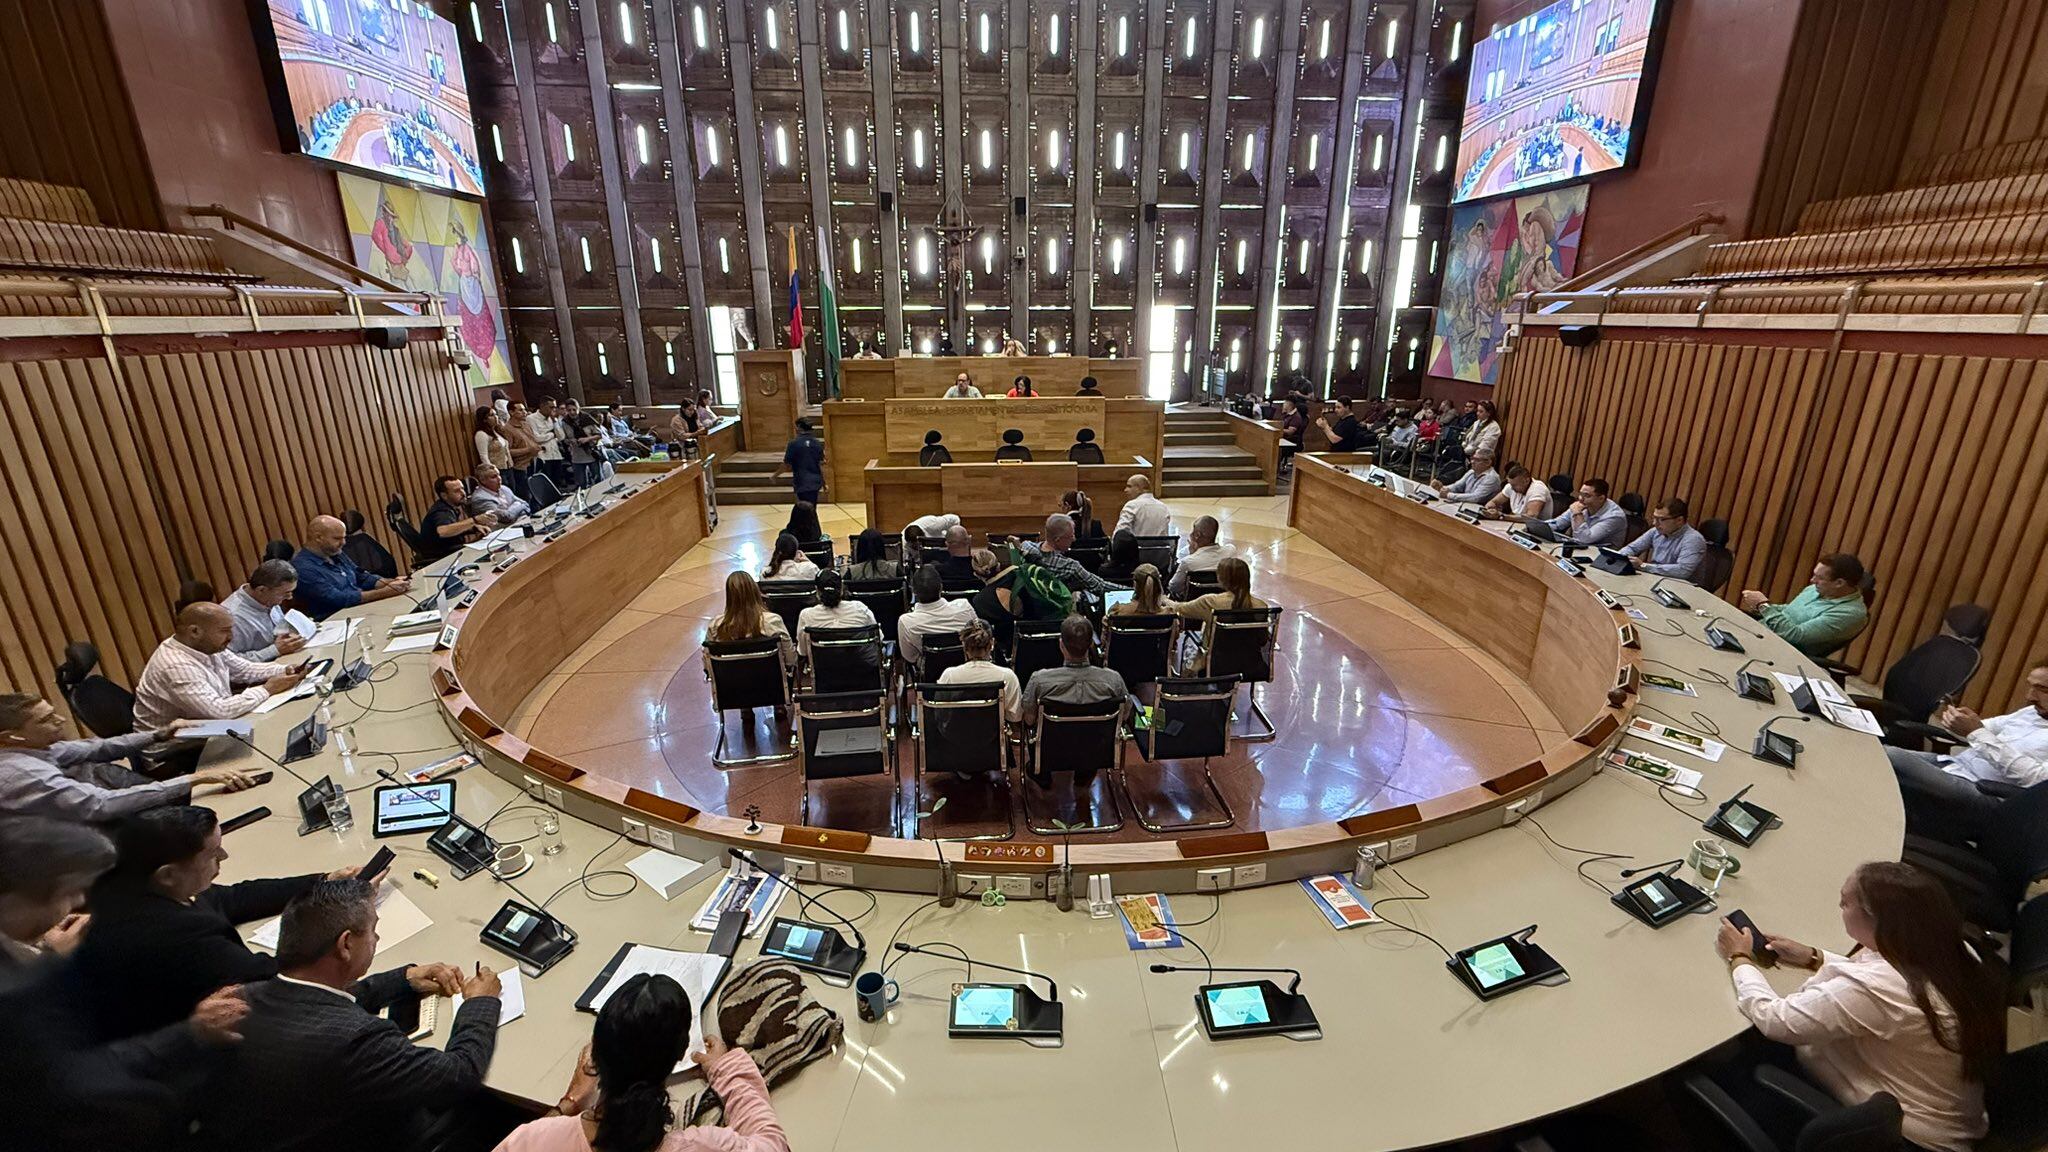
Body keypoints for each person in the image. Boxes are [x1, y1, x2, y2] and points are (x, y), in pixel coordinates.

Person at [187, 878, 502, 1152]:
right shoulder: (357, 1040)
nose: (376, 940)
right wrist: (479, 1003)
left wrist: (402, 980)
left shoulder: (244, 997)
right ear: (346, 944)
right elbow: (458, 1075)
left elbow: (312, 1001)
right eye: (373, 931)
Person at [1714, 862, 2005, 1152]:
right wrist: (1813, 958)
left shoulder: (1873, 989)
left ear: (1875, 919)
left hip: (1906, 1137)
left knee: (1725, 1059)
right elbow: (1885, 980)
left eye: (1845, 902)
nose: (1839, 904)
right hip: (1954, 1115)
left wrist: (1739, 957)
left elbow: (1775, 1020)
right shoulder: (1950, 949)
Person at [0, 815, 249, 1152]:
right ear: (18, 899)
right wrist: (191, 1034)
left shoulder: (29, 968)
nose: (75, 904)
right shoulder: (15, 998)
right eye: (68, 891)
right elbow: (83, 1082)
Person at [73, 805, 381, 1040]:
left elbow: (236, 897)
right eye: (212, 854)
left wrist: (325, 881)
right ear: (168, 874)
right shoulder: (178, 936)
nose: (225, 856)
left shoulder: (150, 888)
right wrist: (392, 980)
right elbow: (285, 984)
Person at [500, 972, 788, 1152]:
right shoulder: (703, 1146)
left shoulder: (533, 1138)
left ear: (594, 1052)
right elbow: (773, 1144)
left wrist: (569, 1102)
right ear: (681, 1052)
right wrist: (728, 1069)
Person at [0, 694, 251, 821]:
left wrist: (160, 734)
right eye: (46, 720)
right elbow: (101, 805)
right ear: (14, 737)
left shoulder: (33, 747)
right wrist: (193, 779)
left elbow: (98, 748)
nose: (61, 720)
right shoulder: (25, 773)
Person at [1886, 657, 2048, 843]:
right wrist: (1960, 722)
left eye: (2043, 690)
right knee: (1879, 753)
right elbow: (1985, 729)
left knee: (1892, 758)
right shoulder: (2033, 712)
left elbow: (2038, 779)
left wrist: (1975, 732)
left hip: (1985, 793)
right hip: (1957, 765)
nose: (2030, 696)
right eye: (2031, 686)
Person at [133, 603, 307, 730]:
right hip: (173, 748)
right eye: (224, 631)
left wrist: (285, 669)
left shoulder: (206, 644)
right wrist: (267, 689)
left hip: (207, 727)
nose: (230, 637)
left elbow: (244, 669)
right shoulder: (175, 665)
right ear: (195, 631)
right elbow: (219, 712)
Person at [1739, 554, 1871, 660]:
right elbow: (1789, 610)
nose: (1812, 581)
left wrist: (1763, 606)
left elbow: (1795, 635)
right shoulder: (1816, 589)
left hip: (1781, 655)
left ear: (1839, 583)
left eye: (1819, 577)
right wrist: (1765, 607)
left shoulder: (1850, 614)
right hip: (1759, 635)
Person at [1020, 616, 1132, 735]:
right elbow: (1124, 716)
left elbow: (1029, 719)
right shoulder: (1114, 680)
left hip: (1053, 751)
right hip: (1099, 751)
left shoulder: (1039, 680)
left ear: (1061, 644)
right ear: (1091, 644)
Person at [293, 515, 412, 620]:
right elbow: (339, 599)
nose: (344, 542)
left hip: (361, 611)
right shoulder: (303, 568)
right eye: (337, 538)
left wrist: (391, 582)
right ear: (318, 538)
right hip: (337, 620)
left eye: (344, 537)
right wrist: (385, 592)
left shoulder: (336, 553)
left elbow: (362, 577)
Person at [1176, 556, 1266, 668]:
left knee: (1191, 645)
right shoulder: (1262, 606)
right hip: (1252, 665)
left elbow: (1180, 609)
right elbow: (1263, 641)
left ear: (1221, 578)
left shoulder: (1211, 602)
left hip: (1216, 664)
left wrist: (1163, 599)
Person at [1023, 513, 1127, 603]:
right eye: (1071, 536)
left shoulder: (1026, 547)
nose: (1074, 539)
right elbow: (1099, 586)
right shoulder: (1070, 566)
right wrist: (1132, 590)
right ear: (1058, 540)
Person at [937, 620, 1022, 724]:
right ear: (991, 644)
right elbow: (1015, 717)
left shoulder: (949, 675)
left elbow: (939, 715)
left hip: (954, 737)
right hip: (994, 737)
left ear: (964, 645)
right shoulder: (1007, 676)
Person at [706, 572, 793, 674]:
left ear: (729, 596)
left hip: (731, 686)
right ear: (755, 591)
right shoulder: (772, 621)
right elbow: (790, 659)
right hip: (770, 684)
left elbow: (708, 666)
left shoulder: (716, 626)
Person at [222, 559, 308, 662]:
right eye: (285, 593)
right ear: (261, 590)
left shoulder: (267, 598)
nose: (289, 598)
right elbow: (228, 662)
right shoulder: (232, 617)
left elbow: (279, 631)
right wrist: (274, 650)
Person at [897, 565, 979, 669]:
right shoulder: (964, 606)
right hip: (967, 668)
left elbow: (910, 657)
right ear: (941, 587)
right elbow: (978, 634)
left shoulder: (906, 621)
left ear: (914, 591)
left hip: (930, 675)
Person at [1618, 498, 1707, 581]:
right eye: (1654, 518)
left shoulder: (1693, 540)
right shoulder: (1656, 531)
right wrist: (1619, 557)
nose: (1654, 523)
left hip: (1679, 586)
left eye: (1661, 519)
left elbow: (1683, 571)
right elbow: (1632, 548)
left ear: (1679, 520)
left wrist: (1643, 566)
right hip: (1654, 578)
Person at [795, 571, 876, 659]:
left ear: (817, 591)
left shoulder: (806, 615)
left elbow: (803, 651)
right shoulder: (860, 609)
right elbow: (878, 639)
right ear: (841, 589)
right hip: (863, 668)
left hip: (823, 670)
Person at [420, 474, 499, 562]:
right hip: (444, 557)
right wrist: (474, 520)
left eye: (462, 488)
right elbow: (443, 531)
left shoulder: (450, 507)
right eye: (457, 491)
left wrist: (473, 528)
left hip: (452, 550)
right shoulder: (442, 511)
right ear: (444, 495)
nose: (463, 493)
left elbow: (452, 528)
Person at [1540, 477, 1627, 547]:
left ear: (1601, 498)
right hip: (1581, 549)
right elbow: (1558, 523)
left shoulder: (1614, 517)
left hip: (1601, 557)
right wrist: (1537, 526)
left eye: (1587, 496)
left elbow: (1584, 539)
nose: (1581, 498)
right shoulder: (1582, 504)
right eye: (1580, 494)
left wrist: (1578, 514)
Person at [1168, 516, 1235, 598]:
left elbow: (1173, 587)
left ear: (1197, 535)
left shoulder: (1188, 562)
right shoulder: (1230, 552)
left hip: (1193, 604)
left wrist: (1193, 555)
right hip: (1222, 599)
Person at [778, 417, 825, 506]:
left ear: (799, 427)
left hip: (802, 481)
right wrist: (824, 483)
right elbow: (820, 464)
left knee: (804, 509)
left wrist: (775, 475)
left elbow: (786, 464)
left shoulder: (793, 444)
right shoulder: (817, 443)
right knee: (812, 507)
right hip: (815, 482)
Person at [468, 464, 533, 525]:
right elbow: (506, 518)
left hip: (521, 522)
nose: (499, 478)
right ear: (483, 480)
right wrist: (518, 505)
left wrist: (513, 510)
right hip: (501, 531)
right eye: (494, 477)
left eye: (499, 475)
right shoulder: (480, 498)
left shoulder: (504, 488)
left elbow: (526, 504)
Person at [1435, 448, 1503, 505]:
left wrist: (1448, 495)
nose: (1472, 462)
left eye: (1477, 460)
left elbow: (1476, 498)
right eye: (1472, 459)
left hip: (1481, 510)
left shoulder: (1492, 478)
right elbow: (1458, 486)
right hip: (1466, 506)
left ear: (1488, 463)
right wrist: (1444, 488)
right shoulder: (1471, 472)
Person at [1482, 464, 1551, 520]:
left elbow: (1531, 517)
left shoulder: (1538, 489)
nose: (1511, 488)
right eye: (1510, 484)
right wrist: (1488, 510)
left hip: (1535, 529)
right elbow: (1494, 502)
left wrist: (1502, 516)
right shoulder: (1511, 486)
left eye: (1515, 485)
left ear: (1526, 481)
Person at [563, 399, 605, 488]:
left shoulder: (587, 419)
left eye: (574, 409)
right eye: (569, 410)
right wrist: (571, 441)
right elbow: (565, 439)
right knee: (581, 482)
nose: (572, 412)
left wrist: (587, 439)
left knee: (598, 479)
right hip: (576, 455)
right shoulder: (565, 422)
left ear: (578, 409)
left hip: (590, 452)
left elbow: (599, 435)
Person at [528, 397, 567, 488]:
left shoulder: (552, 419)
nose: (553, 410)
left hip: (556, 454)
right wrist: (552, 435)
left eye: (554, 407)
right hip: (543, 456)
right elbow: (537, 438)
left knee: (557, 482)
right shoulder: (531, 418)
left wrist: (555, 422)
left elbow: (561, 437)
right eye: (551, 407)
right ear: (542, 406)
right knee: (546, 483)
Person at [504, 402, 541, 497]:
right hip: (521, 467)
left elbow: (533, 440)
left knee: (537, 493)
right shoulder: (507, 429)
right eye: (520, 410)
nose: (525, 412)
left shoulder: (526, 424)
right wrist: (528, 449)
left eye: (524, 409)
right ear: (511, 412)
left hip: (534, 461)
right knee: (526, 495)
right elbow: (508, 452)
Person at [473, 406, 512, 477]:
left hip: (508, 467)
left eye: (496, 414)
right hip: (497, 469)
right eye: (492, 415)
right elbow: (483, 456)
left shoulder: (497, 431)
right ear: (484, 419)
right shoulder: (481, 434)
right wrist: (492, 471)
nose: (496, 417)